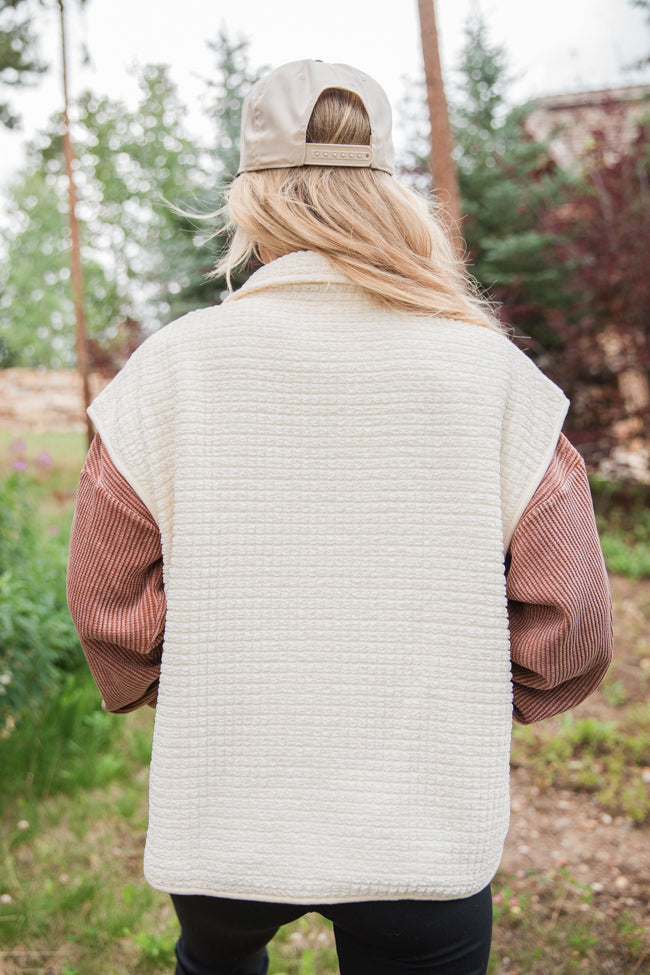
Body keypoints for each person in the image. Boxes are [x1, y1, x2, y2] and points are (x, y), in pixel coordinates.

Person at [67, 59, 613, 975]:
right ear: (388, 194)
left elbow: (105, 599)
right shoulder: (493, 378)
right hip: (424, 825)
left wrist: (197, 678)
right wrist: (487, 689)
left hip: (226, 814)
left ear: (252, 199)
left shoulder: (170, 371)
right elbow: (571, 618)